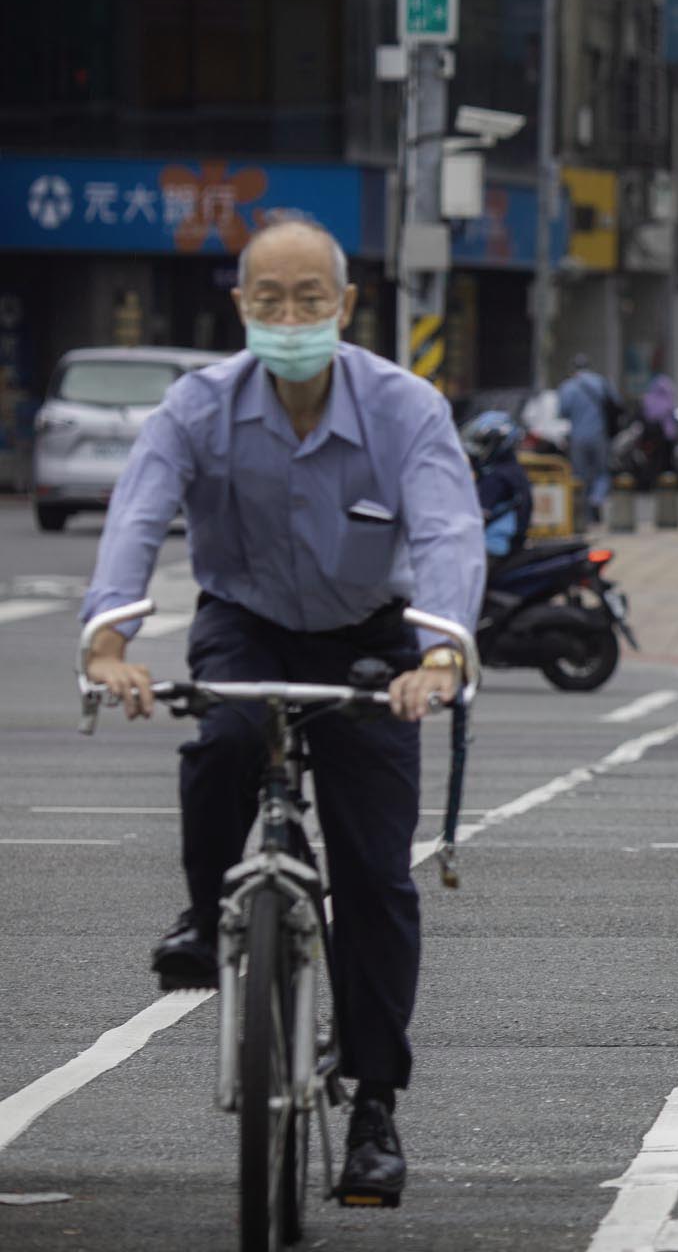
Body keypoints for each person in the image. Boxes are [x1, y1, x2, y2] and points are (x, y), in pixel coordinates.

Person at [79, 212, 485, 1208]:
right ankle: (204, 908)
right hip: (246, 621)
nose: (291, 316)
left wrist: (438, 655)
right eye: (271, 299)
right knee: (218, 739)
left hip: (370, 640)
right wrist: (108, 641)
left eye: (311, 299)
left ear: (345, 306)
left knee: (377, 875)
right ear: (243, 306)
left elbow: (446, 532)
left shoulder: (404, 407)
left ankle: (377, 1108)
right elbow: (137, 516)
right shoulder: (196, 406)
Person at [557, 354, 620, 527]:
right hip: (599, 435)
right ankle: (596, 499)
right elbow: (616, 404)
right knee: (601, 472)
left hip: (577, 437)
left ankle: (583, 514)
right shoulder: (601, 382)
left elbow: (562, 412)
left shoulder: (567, 386)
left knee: (580, 475)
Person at [463, 410, 533, 561]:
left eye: (483, 443)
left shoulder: (496, 478)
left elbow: (474, 519)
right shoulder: (511, 470)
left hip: (491, 549)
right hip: (510, 546)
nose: (476, 451)